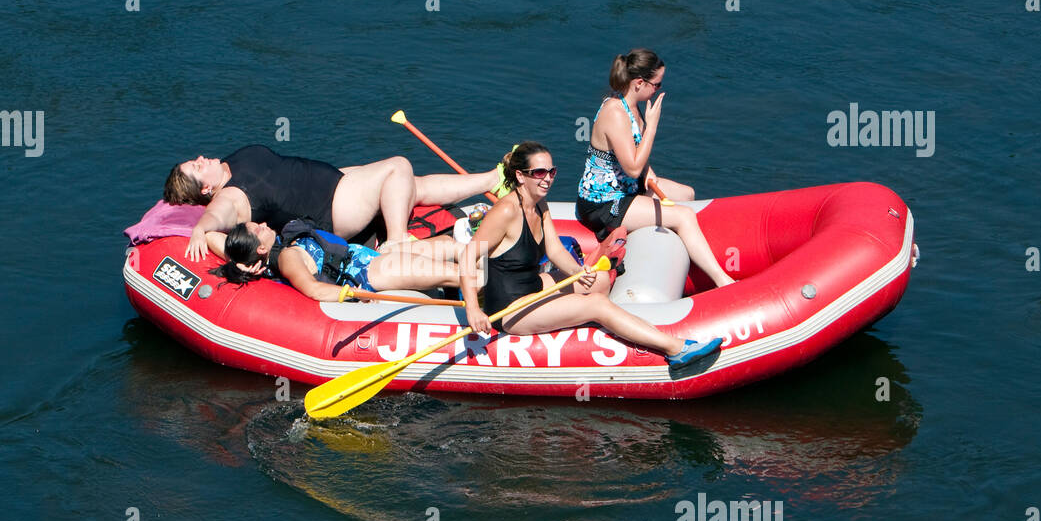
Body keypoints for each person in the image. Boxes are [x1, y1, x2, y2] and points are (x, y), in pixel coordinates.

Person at [462, 143, 724, 368]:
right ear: (520, 176)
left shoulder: (539, 205)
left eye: (551, 171)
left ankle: (623, 321)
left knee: (598, 280)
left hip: (532, 285)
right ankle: (675, 349)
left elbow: (554, 250)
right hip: (510, 307)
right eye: (539, 173)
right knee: (596, 303)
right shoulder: (506, 211)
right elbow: (467, 256)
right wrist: (473, 309)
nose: (547, 179)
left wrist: (578, 272)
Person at [163, 144, 504, 262]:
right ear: (206, 189)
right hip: (333, 211)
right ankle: (398, 242)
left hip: (333, 183)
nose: (199, 158)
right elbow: (217, 215)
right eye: (195, 167)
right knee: (398, 166)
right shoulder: (231, 195)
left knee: (413, 187)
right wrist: (201, 229)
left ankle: (493, 179)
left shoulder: (230, 162)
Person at [577, 49, 734, 288]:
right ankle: (723, 281)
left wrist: (647, 170)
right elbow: (631, 167)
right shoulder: (616, 113)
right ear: (639, 83)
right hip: (605, 202)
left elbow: (633, 155)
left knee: (687, 194)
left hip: (628, 187)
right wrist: (652, 126)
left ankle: (692, 255)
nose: (658, 89)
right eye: (657, 85)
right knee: (684, 215)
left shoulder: (630, 105)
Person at [216, 220, 467, 302]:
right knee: (456, 273)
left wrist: (240, 264)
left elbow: (211, 238)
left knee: (447, 245)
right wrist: (353, 294)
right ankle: (500, 284)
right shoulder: (287, 257)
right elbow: (312, 289)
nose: (263, 223)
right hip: (371, 273)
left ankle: (497, 258)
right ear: (260, 247)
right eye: (257, 228)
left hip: (370, 259)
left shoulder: (276, 248)